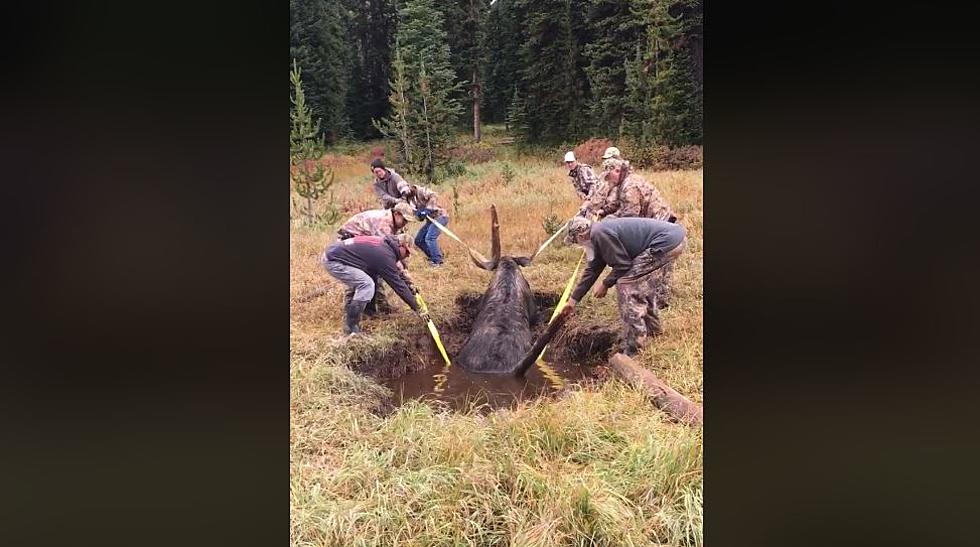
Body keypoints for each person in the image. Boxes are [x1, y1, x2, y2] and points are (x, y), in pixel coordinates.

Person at [560, 216, 686, 356]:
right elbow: (593, 269)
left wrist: (605, 284)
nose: (579, 245)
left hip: (665, 242)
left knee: (625, 284)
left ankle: (635, 346)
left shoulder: (600, 234)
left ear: (581, 235)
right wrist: (572, 301)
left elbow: (623, 264)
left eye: (576, 241)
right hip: (674, 238)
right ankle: (653, 329)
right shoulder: (598, 233)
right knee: (639, 283)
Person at [321, 233, 428, 337]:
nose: (408, 255)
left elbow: (398, 272)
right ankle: (351, 328)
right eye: (407, 252)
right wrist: (417, 308)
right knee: (366, 284)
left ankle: (368, 312)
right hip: (334, 260)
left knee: (372, 276)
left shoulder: (386, 247)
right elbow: (397, 285)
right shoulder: (384, 255)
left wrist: (410, 285)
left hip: (338, 255)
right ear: (401, 246)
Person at [335, 202, 418, 315]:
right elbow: (388, 257)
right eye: (404, 220)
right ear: (397, 214)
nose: (405, 223)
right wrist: (406, 280)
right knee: (360, 276)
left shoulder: (393, 224)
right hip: (349, 243)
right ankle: (352, 312)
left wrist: (407, 276)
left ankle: (372, 309)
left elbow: (396, 253)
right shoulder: (383, 224)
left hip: (363, 243)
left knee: (374, 273)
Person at [406, 184, 450, 267]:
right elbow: (419, 217)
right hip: (430, 220)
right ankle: (434, 255)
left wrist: (428, 209)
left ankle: (438, 261)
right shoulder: (410, 199)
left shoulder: (421, 190)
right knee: (418, 240)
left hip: (440, 216)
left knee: (430, 238)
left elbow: (434, 195)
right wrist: (419, 215)